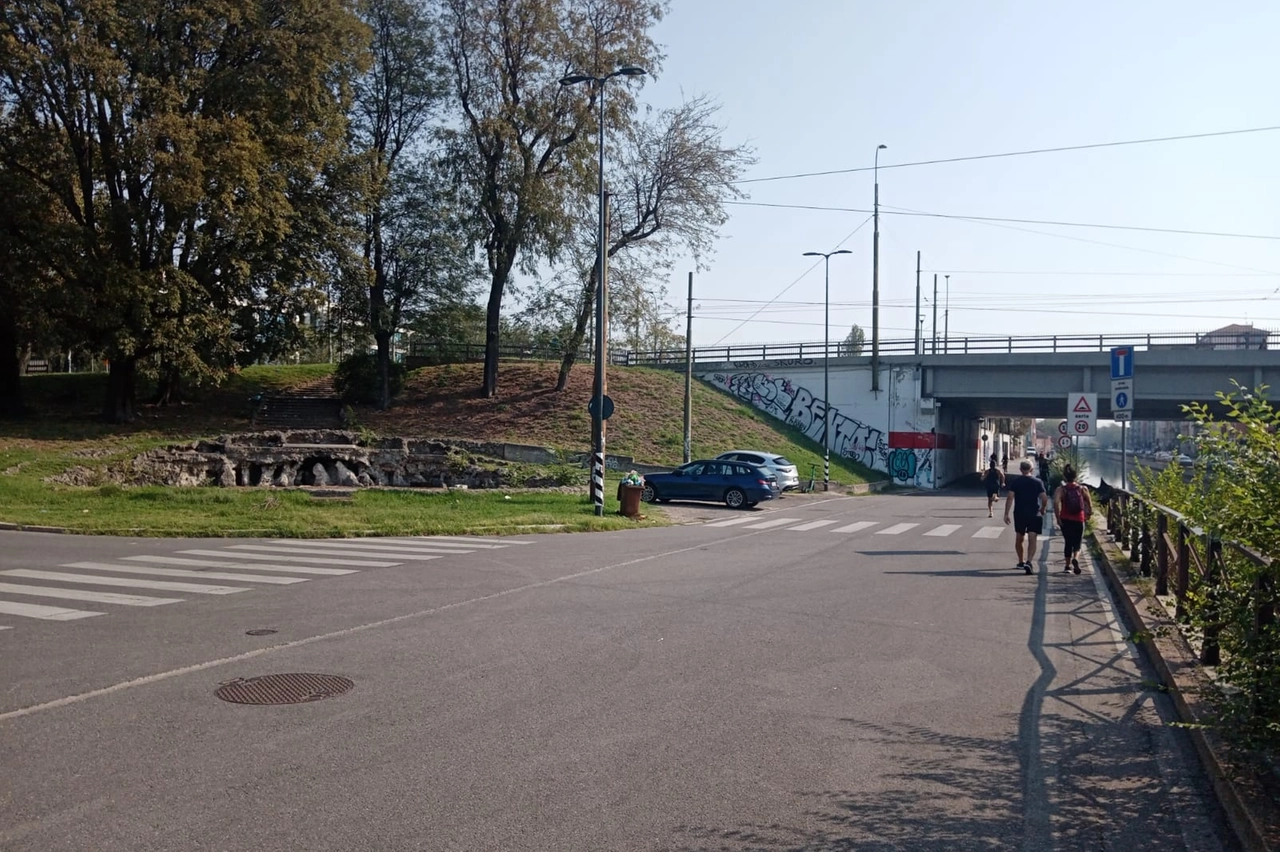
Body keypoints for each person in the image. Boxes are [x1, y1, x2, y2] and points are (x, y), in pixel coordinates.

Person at [1004, 459, 1048, 575]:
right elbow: (1044, 498)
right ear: (1031, 470)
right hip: (1034, 514)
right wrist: (1043, 509)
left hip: (1020, 513)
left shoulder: (1016, 482)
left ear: (1020, 470)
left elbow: (1010, 497)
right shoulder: (1038, 482)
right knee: (1032, 538)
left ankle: (1020, 561)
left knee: (1020, 538)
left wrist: (1006, 514)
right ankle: (1029, 561)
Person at [1053, 463, 1092, 574]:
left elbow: (1056, 503)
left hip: (1065, 518)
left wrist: (1058, 517)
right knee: (1077, 542)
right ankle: (1076, 558)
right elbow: (1089, 504)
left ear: (1065, 477)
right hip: (1079, 519)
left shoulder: (1061, 489)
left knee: (1068, 542)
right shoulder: (1082, 488)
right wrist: (1088, 515)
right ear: (1076, 476)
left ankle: (1067, 566)